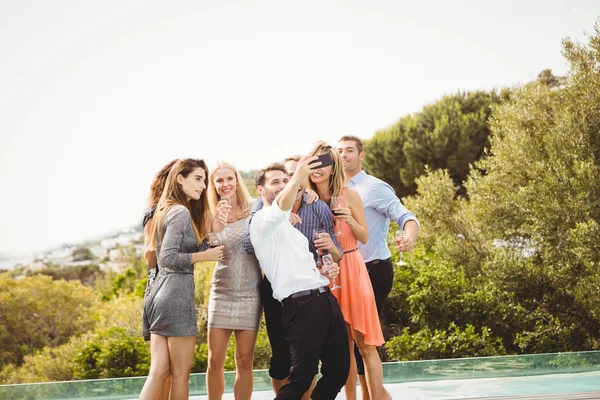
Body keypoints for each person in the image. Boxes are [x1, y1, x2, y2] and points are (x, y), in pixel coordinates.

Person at [250, 158, 350, 400]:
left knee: (338, 371)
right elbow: (281, 207)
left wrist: (322, 275)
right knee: (301, 378)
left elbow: (298, 266)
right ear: (260, 190)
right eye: (276, 182)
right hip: (301, 305)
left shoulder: (290, 227)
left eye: (286, 180)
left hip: (325, 299)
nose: (284, 185)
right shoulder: (262, 221)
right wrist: (298, 176)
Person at [338, 135, 420, 400]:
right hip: (344, 273)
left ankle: (375, 396)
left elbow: (406, 217)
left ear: (361, 155)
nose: (344, 155)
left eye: (349, 150)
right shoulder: (331, 189)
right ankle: (372, 396)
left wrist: (409, 238)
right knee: (347, 342)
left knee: (365, 340)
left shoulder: (376, 188)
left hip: (373, 270)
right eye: (339, 150)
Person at [139, 158, 224, 400]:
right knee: (180, 375)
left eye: (204, 180)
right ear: (179, 178)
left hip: (159, 296)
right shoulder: (179, 211)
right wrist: (204, 255)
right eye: (198, 178)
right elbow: (167, 258)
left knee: (158, 372)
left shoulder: (164, 209)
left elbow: (174, 250)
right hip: (175, 295)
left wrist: (209, 234)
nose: (203, 185)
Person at [308, 142, 387, 400]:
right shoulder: (306, 199)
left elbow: (363, 236)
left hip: (352, 269)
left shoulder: (350, 195)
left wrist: (349, 219)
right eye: (313, 163)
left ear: (333, 168)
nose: (317, 169)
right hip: (322, 274)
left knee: (365, 344)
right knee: (343, 347)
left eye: (323, 164)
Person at [205, 161, 262, 400]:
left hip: (251, 292)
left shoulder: (256, 207)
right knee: (214, 359)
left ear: (237, 180)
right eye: (219, 180)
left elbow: (282, 201)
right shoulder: (208, 214)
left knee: (244, 360)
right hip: (221, 291)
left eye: (229, 178)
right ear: (214, 185)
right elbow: (207, 247)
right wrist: (216, 222)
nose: (225, 184)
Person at [141, 159, 177, 400]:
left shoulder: (179, 212)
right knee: (161, 370)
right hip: (161, 291)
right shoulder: (156, 214)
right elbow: (151, 260)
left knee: (167, 371)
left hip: (164, 292)